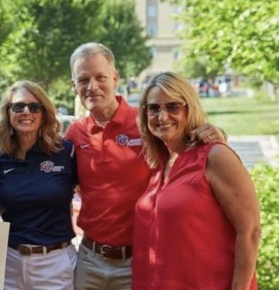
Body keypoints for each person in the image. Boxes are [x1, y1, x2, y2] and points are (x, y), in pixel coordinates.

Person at [65, 42, 224, 290]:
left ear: (115, 78)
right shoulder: (75, 133)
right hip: (89, 259)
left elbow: (189, 141)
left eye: (100, 77)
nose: (92, 86)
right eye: (83, 80)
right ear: (73, 86)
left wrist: (216, 131)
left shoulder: (147, 123)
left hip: (138, 258)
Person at [133, 72, 260, 289]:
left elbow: (250, 231)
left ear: (189, 108)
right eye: (154, 108)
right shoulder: (161, 162)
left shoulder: (215, 156)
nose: (162, 117)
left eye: (172, 107)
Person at [0, 80, 78, 290]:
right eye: (18, 106)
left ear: (44, 113)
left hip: (55, 263)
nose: (26, 112)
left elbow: (91, 192)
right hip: (9, 262)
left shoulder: (65, 152)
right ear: (8, 113)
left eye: (34, 107)